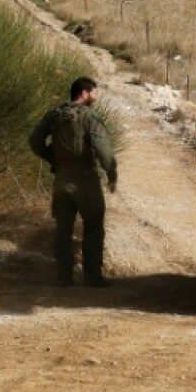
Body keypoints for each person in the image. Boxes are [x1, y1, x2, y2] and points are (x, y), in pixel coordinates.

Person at [29, 76, 118, 287]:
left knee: (63, 230)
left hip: (61, 180)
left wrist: (53, 158)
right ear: (85, 93)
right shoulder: (90, 118)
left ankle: (64, 277)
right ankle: (93, 277)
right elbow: (103, 150)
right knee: (94, 227)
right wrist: (111, 173)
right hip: (86, 180)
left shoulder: (54, 115)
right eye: (94, 93)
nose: (95, 98)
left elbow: (34, 142)